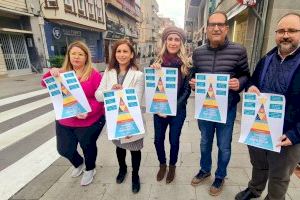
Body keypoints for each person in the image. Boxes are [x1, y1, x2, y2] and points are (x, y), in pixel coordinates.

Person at [235, 13, 300, 200]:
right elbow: (252, 81)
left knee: (280, 175)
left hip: (287, 135)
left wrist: (296, 134)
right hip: (260, 127)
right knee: (258, 163)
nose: (285, 35)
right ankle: (254, 189)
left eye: (292, 30)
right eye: (281, 31)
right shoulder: (267, 59)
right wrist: (251, 86)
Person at [189, 11, 250, 196]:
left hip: (227, 108)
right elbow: (193, 74)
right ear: (207, 29)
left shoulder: (239, 50)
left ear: (226, 28)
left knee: (224, 145)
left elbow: (246, 75)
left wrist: (239, 83)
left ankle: (220, 175)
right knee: (205, 142)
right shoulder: (198, 52)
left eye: (220, 25)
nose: (216, 28)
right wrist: (192, 83)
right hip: (205, 108)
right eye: (212, 24)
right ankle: (205, 169)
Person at [41, 41, 105, 186]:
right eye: (73, 54)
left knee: (88, 147)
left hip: (88, 121)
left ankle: (90, 169)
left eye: (80, 54)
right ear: (69, 56)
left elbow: (100, 100)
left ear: (86, 57)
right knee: (64, 149)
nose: (76, 57)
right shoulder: (62, 73)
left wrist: (87, 112)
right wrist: (51, 72)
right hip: (65, 119)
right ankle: (79, 163)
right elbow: (45, 83)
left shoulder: (94, 75)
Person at [95, 39, 144, 193]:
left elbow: (137, 98)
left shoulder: (138, 75)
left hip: (131, 119)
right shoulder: (108, 73)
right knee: (119, 147)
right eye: (118, 51)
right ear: (114, 54)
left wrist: (121, 91)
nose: (121, 54)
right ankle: (122, 169)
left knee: (135, 149)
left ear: (131, 55)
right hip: (114, 118)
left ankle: (135, 175)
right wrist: (111, 90)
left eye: (125, 51)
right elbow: (98, 95)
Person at [151, 26, 191, 184]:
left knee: (174, 140)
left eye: (177, 39)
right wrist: (153, 71)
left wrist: (171, 108)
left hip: (178, 111)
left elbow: (187, 91)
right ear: (165, 41)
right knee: (157, 140)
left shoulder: (186, 65)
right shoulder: (156, 62)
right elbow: (151, 88)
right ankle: (162, 164)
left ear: (181, 43)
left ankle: (172, 166)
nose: (173, 43)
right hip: (159, 110)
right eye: (170, 39)